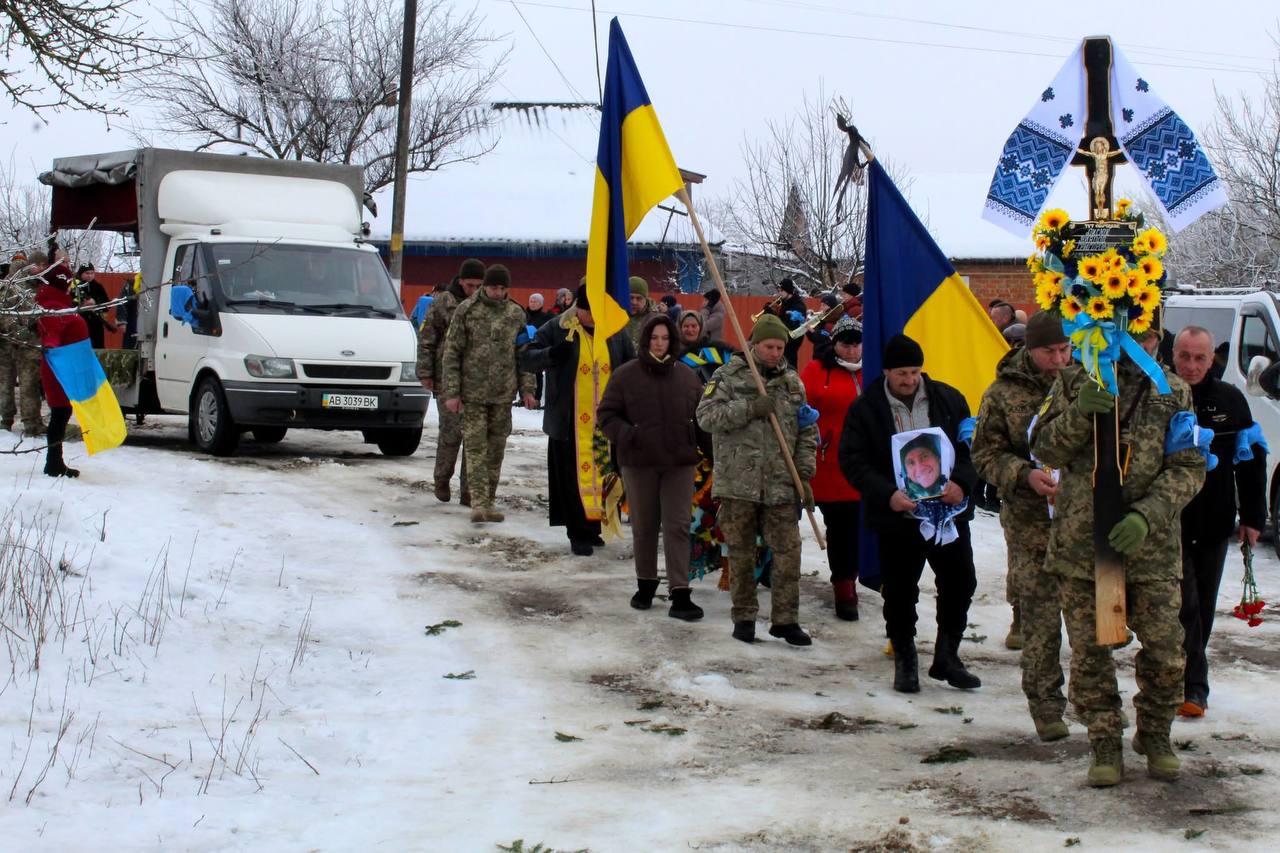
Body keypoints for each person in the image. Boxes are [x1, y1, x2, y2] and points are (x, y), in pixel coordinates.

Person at [1030, 324, 1205, 787]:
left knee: (1167, 652)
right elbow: (1043, 447)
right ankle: (1104, 741)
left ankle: (1155, 732)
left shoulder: (1172, 391)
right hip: (1082, 546)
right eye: (1126, 332)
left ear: (1157, 338)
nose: (1136, 344)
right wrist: (1077, 414)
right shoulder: (1074, 381)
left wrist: (1148, 515)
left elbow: (1189, 466)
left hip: (1150, 549)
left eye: (1145, 336)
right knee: (1091, 654)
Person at [839, 334, 980, 694]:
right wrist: (887, 494)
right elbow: (853, 460)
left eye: (915, 372)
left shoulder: (948, 399)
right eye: (902, 373)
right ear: (887, 371)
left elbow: (972, 449)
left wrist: (962, 483)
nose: (909, 380)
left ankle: (948, 655)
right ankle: (905, 659)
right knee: (900, 591)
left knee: (960, 581)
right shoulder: (867, 408)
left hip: (947, 516)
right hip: (899, 518)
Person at [972, 311, 1073, 741]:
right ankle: (1046, 706)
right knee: (1040, 620)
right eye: (1049, 351)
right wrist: (1022, 475)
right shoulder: (1002, 393)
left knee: (1089, 625)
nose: (1058, 359)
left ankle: (1094, 703)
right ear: (1029, 350)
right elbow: (985, 454)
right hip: (1030, 525)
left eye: (1065, 350)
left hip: (1080, 523)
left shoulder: (1086, 383)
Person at [697, 313, 818, 646]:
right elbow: (706, 417)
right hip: (739, 483)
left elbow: (807, 432)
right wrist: (749, 408)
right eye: (769, 347)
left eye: (780, 347)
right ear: (754, 344)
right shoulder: (728, 375)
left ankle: (785, 620)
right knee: (741, 553)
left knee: (788, 553)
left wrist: (804, 476)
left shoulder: (792, 383)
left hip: (781, 484)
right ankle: (744, 617)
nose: (775, 353)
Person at [1171, 326, 1266, 718]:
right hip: (1169, 522)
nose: (1192, 366)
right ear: (1173, 355)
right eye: (1185, 356)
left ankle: (1185, 675)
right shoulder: (1158, 396)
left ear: (1212, 360)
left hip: (1214, 521)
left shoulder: (1229, 399)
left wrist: (1253, 518)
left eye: (1200, 358)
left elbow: (1252, 459)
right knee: (1185, 605)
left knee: (1203, 607)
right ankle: (1194, 686)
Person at [598, 314, 705, 620]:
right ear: (646, 340)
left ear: (673, 341)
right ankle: (645, 584)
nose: (660, 344)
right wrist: (629, 435)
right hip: (639, 462)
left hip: (679, 462)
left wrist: (712, 453)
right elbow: (606, 414)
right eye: (655, 338)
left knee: (678, 526)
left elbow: (703, 419)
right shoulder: (625, 375)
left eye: (665, 338)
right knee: (644, 526)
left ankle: (680, 592)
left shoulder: (687, 376)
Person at [521, 283, 635, 555]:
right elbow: (525, 357)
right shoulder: (558, 327)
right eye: (587, 311)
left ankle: (595, 527)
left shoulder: (615, 331)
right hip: (569, 420)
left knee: (606, 473)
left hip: (607, 420)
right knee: (572, 478)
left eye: (597, 311)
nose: (592, 316)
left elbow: (631, 366)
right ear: (577, 307)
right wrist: (551, 354)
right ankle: (577, 531)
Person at [440, 264, 537, 524]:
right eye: (494, 287)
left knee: (496, 451)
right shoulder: (467, 310)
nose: (498, 292)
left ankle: (489, 502)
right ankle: (479, 504)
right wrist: (452, 392)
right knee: (475, 449)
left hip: (503, 395)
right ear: (485, 286)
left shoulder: (515, 313)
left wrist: (528, 389)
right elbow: (452, 353)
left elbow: (524, 355)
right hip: (473, 394)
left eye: (502, 288)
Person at [800, 315, 863, 620]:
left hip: (862, 466)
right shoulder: (816, 370)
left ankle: (852, 577)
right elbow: (799, 405)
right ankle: (844, 586)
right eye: (845, 344)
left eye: (856, 344)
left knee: (855, 528)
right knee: (839, 528)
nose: (851, 350)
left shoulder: (873, 371)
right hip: (827, 465)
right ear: (835, 344)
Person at [417, 260, 484, 505]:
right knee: (451, 432)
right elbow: (427, 339)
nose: (473, 290)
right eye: (470, 285)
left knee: (475, 436)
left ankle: (469, 490)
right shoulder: (443, 302)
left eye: (478, 285)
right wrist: (425, 372)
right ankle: (442, 478)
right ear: (461, 280)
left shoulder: (486, 303)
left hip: (478, 379)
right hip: (447, 376)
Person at [34, 261, 85, 477]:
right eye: (69, 281)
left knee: (62, 412)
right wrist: (52, 346)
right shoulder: (54, 308)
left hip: (65, 365)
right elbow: (52, 333)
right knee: (60, 413)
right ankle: (54, 463)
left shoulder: (58, 304)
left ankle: (55, 461)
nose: (72, 286)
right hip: (59, 368)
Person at [0, 252, 46, 435]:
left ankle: (9, 420)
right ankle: (27, 422)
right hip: (21, 343)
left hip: (12, 343)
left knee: (11, 383)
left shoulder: (11, 285)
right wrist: (23, 333)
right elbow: (7, 316)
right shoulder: (21, 286)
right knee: (26, 383)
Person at [71, 264, 119, 350]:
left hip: (96, 324)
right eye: (87, 273)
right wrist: (82, 305)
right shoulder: (75, 287)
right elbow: (68, 304)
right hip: (79, 322)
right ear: (81, 274)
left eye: (92, 273)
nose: (90, 276)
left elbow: (107, 305)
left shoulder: (98, 287)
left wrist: (95, 303)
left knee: (97, 348)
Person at [765, 278, 808, 369]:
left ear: (788, 291)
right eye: (779, 291)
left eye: (781, 291)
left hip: (790, 346)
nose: (779, 293)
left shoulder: (798, 306)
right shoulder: (783, 303)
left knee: (789, 371)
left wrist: (780, 314)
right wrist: (769, 312)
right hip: (779, 343)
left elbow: (792, 327)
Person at [625, 276, 662, 349]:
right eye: (631, 298)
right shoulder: (616, 316)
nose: (634, 302)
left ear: (646, 299)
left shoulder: (656, 319)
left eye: (639, 298)